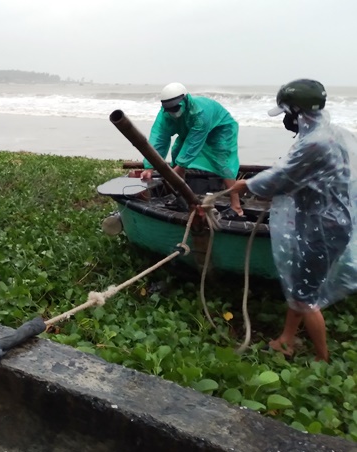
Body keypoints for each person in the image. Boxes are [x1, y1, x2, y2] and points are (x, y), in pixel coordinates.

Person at [230, 79, 357, 361]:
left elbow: (282, 177)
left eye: (287, 113)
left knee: (306, 298)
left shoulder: (314, 143)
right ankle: (287, 339)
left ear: (297, 112)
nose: (286, 120)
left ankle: (323, 360)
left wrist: (245, 186)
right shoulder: (329, 134)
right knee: (302, 286)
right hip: (326, 221)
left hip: (323, 227)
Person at [140, 82, 244, 218]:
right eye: (169, 109)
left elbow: (193, 144)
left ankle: (236, 207)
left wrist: (180, 166)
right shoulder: (165, 115)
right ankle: (182, 198)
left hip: (220, 128)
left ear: (185, 100)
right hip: (189, 129)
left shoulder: (200, 114)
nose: (173, 111)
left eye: (176, 107)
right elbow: (158, 139)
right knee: (177, 151)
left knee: (222, 161)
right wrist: (149, 167)